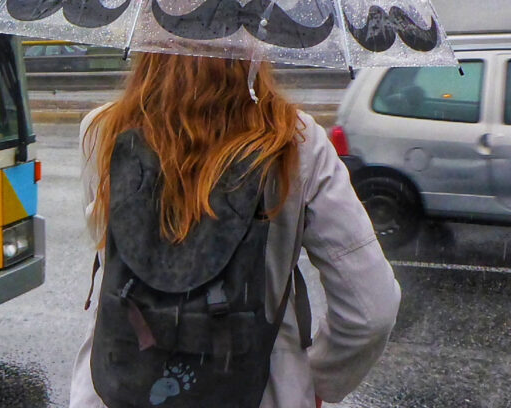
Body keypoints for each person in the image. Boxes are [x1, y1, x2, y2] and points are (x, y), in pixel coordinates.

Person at [69, 53, 400, 408]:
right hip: (259, 390)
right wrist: (317, 379)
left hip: (116, 385)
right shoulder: (296, 142)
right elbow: (372, 310)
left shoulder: (101, 131)